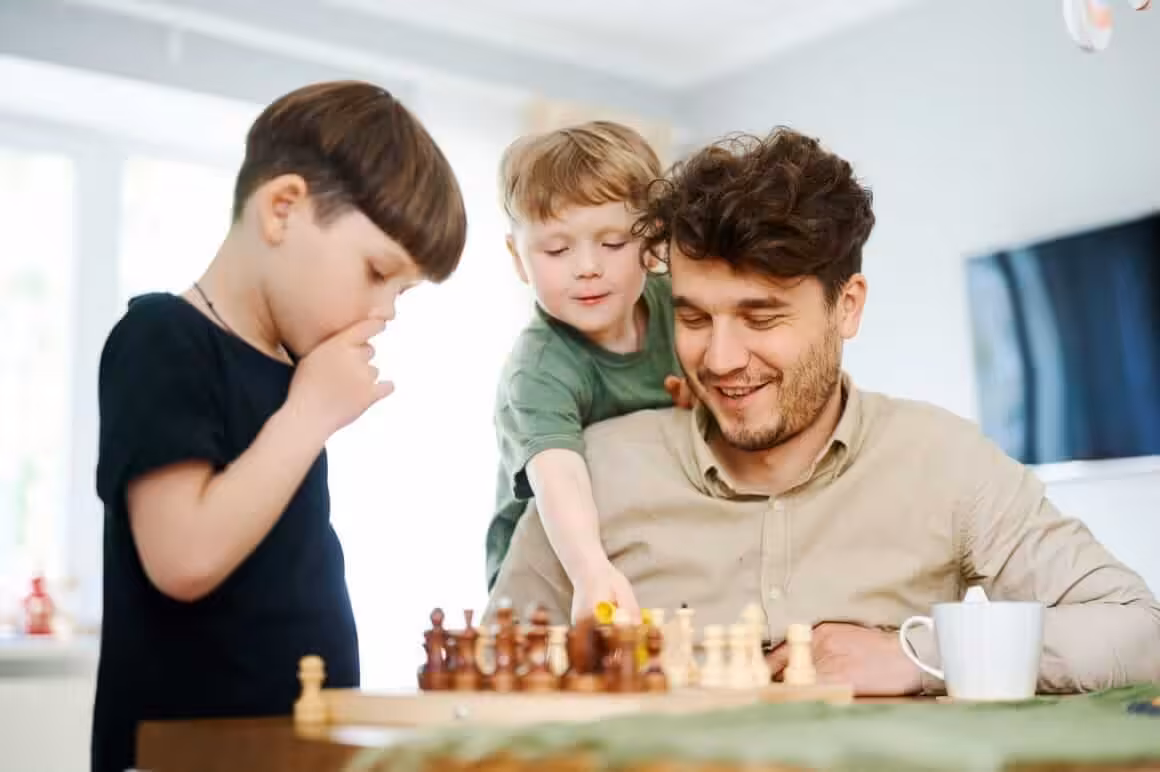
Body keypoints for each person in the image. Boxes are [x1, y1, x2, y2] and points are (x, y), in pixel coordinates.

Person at [485, 127, 1160, 695]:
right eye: (692, 317)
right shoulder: (592, 470)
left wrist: (918, 657)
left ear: (848, 306)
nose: (720, 359)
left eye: (762, 316)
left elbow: (1139, 630)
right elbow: (488, 671)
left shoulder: (944, 462)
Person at [91, 81, 467, 772]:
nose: (384, 311)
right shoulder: (161, 337)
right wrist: (311, 414)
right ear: (284, 208)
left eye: (401, 292)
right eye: (376, 272)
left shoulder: (295, 368)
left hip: (295, 747)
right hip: (184, 755)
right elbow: (184, 559)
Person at [484, 120, 685, 622]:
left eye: (613, 243)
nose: (587, 267)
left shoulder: (679, 306)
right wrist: (590, 569)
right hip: (552, 564)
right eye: (556, 250)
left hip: (645, 536)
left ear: (652, 240)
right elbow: (561, 479)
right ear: (517, 258)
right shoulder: (538, 367)